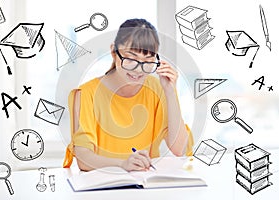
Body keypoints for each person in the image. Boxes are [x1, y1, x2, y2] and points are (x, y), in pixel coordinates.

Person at [63, 18, 193, 171]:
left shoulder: (158, 88)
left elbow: (180, 150)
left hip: (145, 186)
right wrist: (123, 164)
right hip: (101, 187)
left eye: (148, 60)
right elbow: (84, 159)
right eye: (131, 59)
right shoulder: (87, 94)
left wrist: (171, 92)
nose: (138, 70)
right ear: (114, 52)